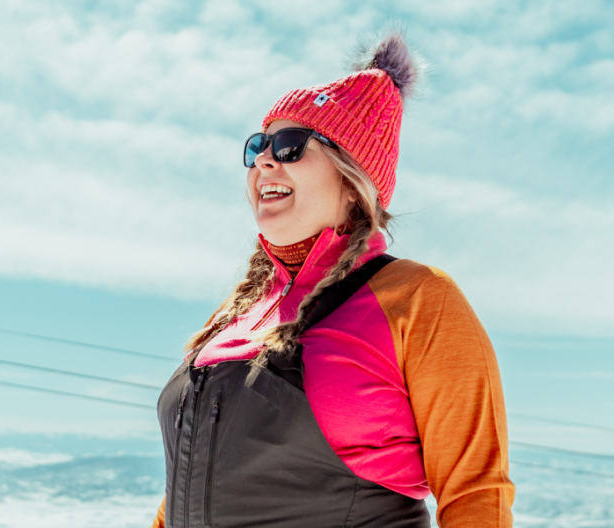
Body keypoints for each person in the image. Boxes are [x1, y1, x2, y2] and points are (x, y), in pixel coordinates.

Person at [150, 31, 515, 527]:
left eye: (290, 145)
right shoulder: (235, 317)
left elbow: (476, 492)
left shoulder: (416, 299)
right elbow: (182, 493)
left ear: (351, 177)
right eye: (257, 145)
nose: (263, 159)